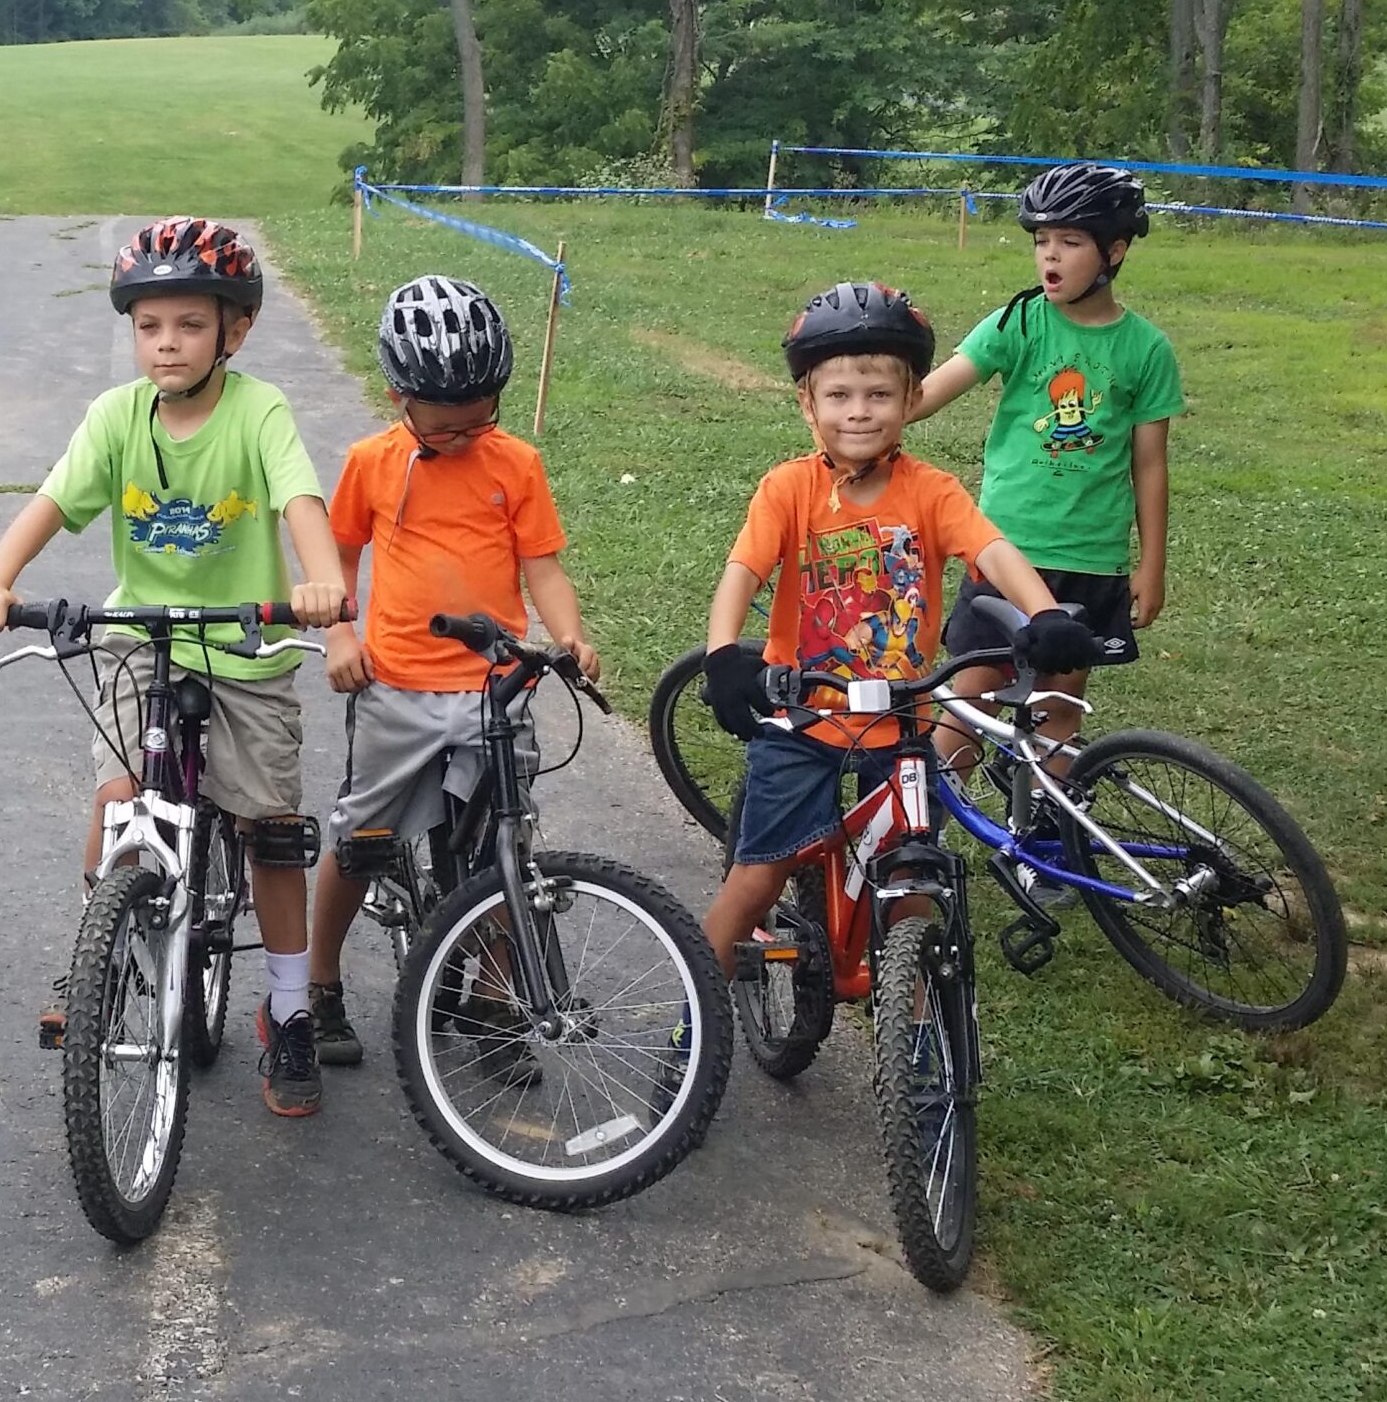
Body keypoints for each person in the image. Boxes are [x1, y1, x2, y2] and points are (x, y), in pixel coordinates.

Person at [0, 217, 348, 1118]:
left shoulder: (260, 411)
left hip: (246, 648)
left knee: (271, 833)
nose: (166, 344)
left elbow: (298, 497)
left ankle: (289, 1010)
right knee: (119, 798)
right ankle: (98, 951)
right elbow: (55, 499)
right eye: (149, 327)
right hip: (141, 636)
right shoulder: (116, 416)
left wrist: (322, 579)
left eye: (189, 325)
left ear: (233, 333)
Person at [698, 282, 1101, 979]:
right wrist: (722, 656)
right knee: (758, 878)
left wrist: (1045, 614)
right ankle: (694, 1015)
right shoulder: (788, 490)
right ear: (808, 403)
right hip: (805, 717)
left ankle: (915, 1036)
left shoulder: (931, 491)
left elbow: (993, 550)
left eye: (879, 395)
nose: (859, 412)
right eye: (840, 395)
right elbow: (743, 571)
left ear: (912, 400)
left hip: (904, 722)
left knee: (912, 885)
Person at [305, 275, 598, 1066]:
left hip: (492, 692)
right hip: (395, 687)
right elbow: (336, 554)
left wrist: (568, 634)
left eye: (481, 422)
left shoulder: (516, 463)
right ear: (400, 395)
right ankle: (318, 982)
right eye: (446, 430)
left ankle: (499, 1006)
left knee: (511, 848)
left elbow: (542, 568)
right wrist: (340, 633)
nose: (466, 438)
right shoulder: (372, 462)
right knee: (360, 840)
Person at [912, 164, 1181, 792]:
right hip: (1004, 551)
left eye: (1070, 241)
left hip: (1092, 558)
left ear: (1113, 252)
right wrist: (864, 410)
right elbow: (931, 393)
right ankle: (919, 836)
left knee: (1058, 715)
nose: (1050, 256)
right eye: (1041, 241)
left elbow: (1150, 465)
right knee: (967, 702)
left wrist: (1151, 566)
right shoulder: (1020, 322)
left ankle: (1045, 844)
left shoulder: (1146, 349)